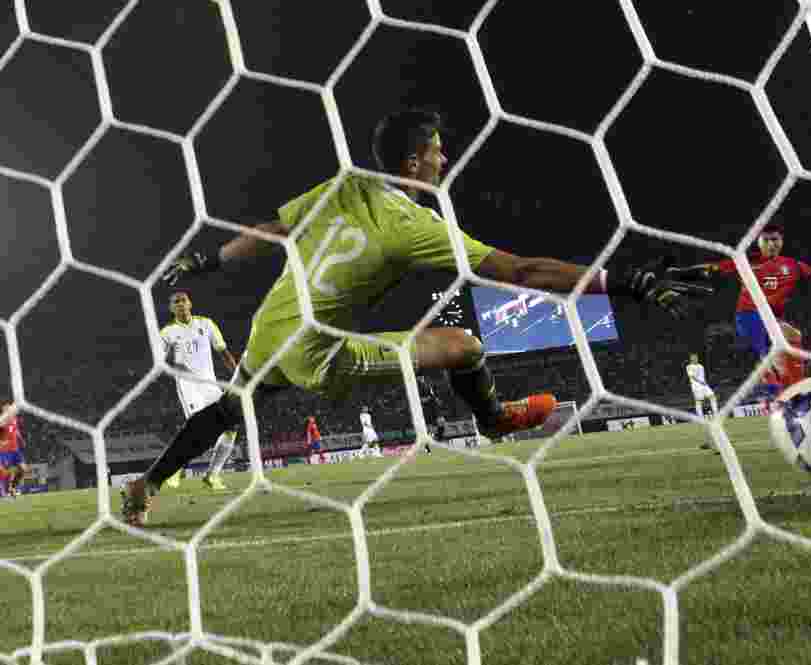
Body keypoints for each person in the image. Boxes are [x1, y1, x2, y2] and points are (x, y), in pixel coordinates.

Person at [120, 108, 711, 526]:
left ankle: (147, 485)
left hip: (271, 326)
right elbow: (522, 272)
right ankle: (495, 419)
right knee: (467, 348)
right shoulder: (413, 225)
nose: (444, 156)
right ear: (414, 162)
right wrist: (626, 282)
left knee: (227, 409)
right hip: (317, 350)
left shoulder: (345, 184)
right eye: (436, 148)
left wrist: (206, 262)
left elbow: (274, 230)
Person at [681, 224, 811, 400]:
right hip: (748, 316)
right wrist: (680, 273)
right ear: (758, 242)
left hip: (772, 319)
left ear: (781, 241)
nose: (771, 243)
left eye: (775, 239)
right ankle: (789, 391)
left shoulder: (793, 265)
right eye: (766, 240)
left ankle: (785, 392)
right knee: (783, 344)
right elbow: (711, 269)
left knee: (790, 342)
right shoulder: (747, 261)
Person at [160, 291, 239, 491]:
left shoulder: (206, 324)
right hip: (188, 386)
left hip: (210, 384)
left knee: (231, 426)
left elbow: (223, 352)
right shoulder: (167, 332)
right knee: (198, 428)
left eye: (183, 300)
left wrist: (239, 377)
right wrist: (176, 366)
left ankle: (212, 475)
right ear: (171, 308)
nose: (180, 304)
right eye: (175, 302)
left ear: (190, 303)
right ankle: (176, 469)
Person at [685, 353, 719, 452]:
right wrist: (701, 382)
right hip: (697, 387)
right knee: (700, 402)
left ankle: (715, 412)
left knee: (712, 396)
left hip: (703, 386)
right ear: (690, 359)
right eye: (693, 358)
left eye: (696, 358)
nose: (695, 359)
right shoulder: (689, 367)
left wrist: (704, 383)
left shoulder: (701, 366)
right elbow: (692, 377)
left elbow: (703, 377)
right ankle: (701, 414)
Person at [0, 401, 26, 498]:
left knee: (23, 469)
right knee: (4, 472)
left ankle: (13, 488)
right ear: (3, 409)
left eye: (9, 407)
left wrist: (21, 439)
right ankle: (4, 492)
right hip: (5, 451)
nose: (8, 408)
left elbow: (16, 430)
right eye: (6, 407)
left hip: (15, 450)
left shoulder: (14, 418)